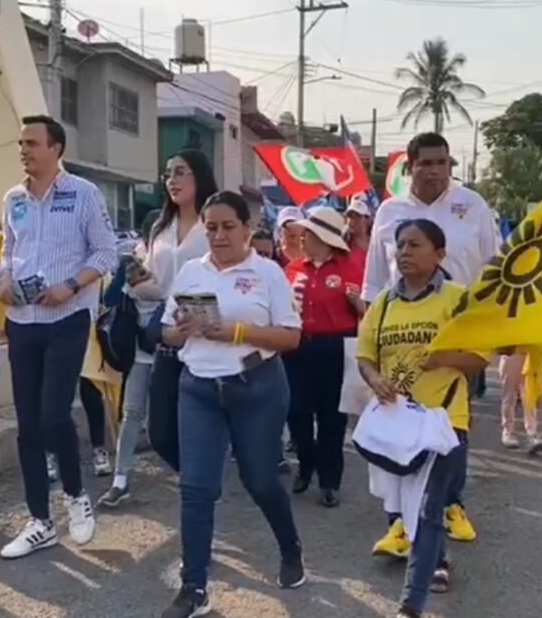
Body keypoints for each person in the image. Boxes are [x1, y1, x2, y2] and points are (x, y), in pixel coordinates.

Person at [160, 192, 305, 618]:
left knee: (259, 480)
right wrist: (181, 331)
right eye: (211, 228)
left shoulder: (267, 272)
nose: (219, 236)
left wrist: (237, 331)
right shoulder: (191, 272)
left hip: (256, 387)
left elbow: (291, 336)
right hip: (198, 389)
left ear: (247, 228)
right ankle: (194, 588)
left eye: (227, 227)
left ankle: (290, 547)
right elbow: (166, 332)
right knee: (196, 488)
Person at [362, 132, 499, 545]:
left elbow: (493, 267)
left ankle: (449, 501)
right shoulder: (390, 211)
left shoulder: (472, 205)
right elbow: (374, 279)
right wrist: (369, 337)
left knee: (451, 423)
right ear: (411, 166)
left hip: (458, 333)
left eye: (443, 162)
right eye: (426, 163)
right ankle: (402, 518)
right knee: (401, 424)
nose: (436, 171)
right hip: (399, 333)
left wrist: (492, 326)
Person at [0, 114, 118, 559]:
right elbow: (9, 251)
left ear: (56, 148)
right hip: (22, 320)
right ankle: (40, 522)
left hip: (68, 317)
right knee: (27, 424)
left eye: (32, 143)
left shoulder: (84, 194)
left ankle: (75, 494)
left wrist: (70, 285)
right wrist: (4, 281)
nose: (24, 151)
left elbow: (107, 253)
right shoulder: (14, 199)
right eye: (21, 144)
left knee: (53, 415)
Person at [357, 219, 487, 605]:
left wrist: (444, 358)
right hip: (396, 423)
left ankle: (412, 601)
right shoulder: (383, 303)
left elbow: (482, 356)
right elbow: (365, 356)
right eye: (400, 245)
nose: (404, 252)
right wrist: (375, 379)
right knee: (401, 502)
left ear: (440, 254)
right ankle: (434, 556)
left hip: (442, 421)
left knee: (429, 505)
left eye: (415, 245)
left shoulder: (458, 299)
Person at [98, 149, 214, 506]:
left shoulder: (212, 225)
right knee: (133, 408)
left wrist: (162, 291)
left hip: (194, 332)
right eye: (168, 174)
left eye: (180, 172)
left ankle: (197, 476)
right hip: (149, 329)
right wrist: (138, 280)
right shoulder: (159, 227)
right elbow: (148, 275)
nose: (172, 180)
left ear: (199, 176)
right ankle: (120, 479)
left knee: (190, 412)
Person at [283, 206, 365, 507]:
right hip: (297, 347)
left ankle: (330, 481)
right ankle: (306, 463)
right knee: (296, 411)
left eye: (308, 234)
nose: (302, 238)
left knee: (332, 417)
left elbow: (369, 310)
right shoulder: (294, 269)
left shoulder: (351, 268)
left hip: (335, 347)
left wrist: (359, 305)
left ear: (325, 239)